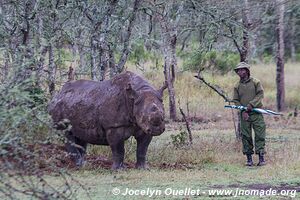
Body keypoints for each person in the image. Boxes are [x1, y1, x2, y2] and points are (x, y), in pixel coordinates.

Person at [232, 62, 266, 166]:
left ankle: (261, 159)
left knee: (260, 134)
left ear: (247, 70)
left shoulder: (256, 82)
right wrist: (243, 111)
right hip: (244, 115)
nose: (240, 72)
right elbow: (235, 100)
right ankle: (249, 160)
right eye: (238, 70)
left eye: (242, 70)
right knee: (246, 136)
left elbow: (260, 94)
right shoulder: (237, 86)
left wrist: (251, 105)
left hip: (256, 113)